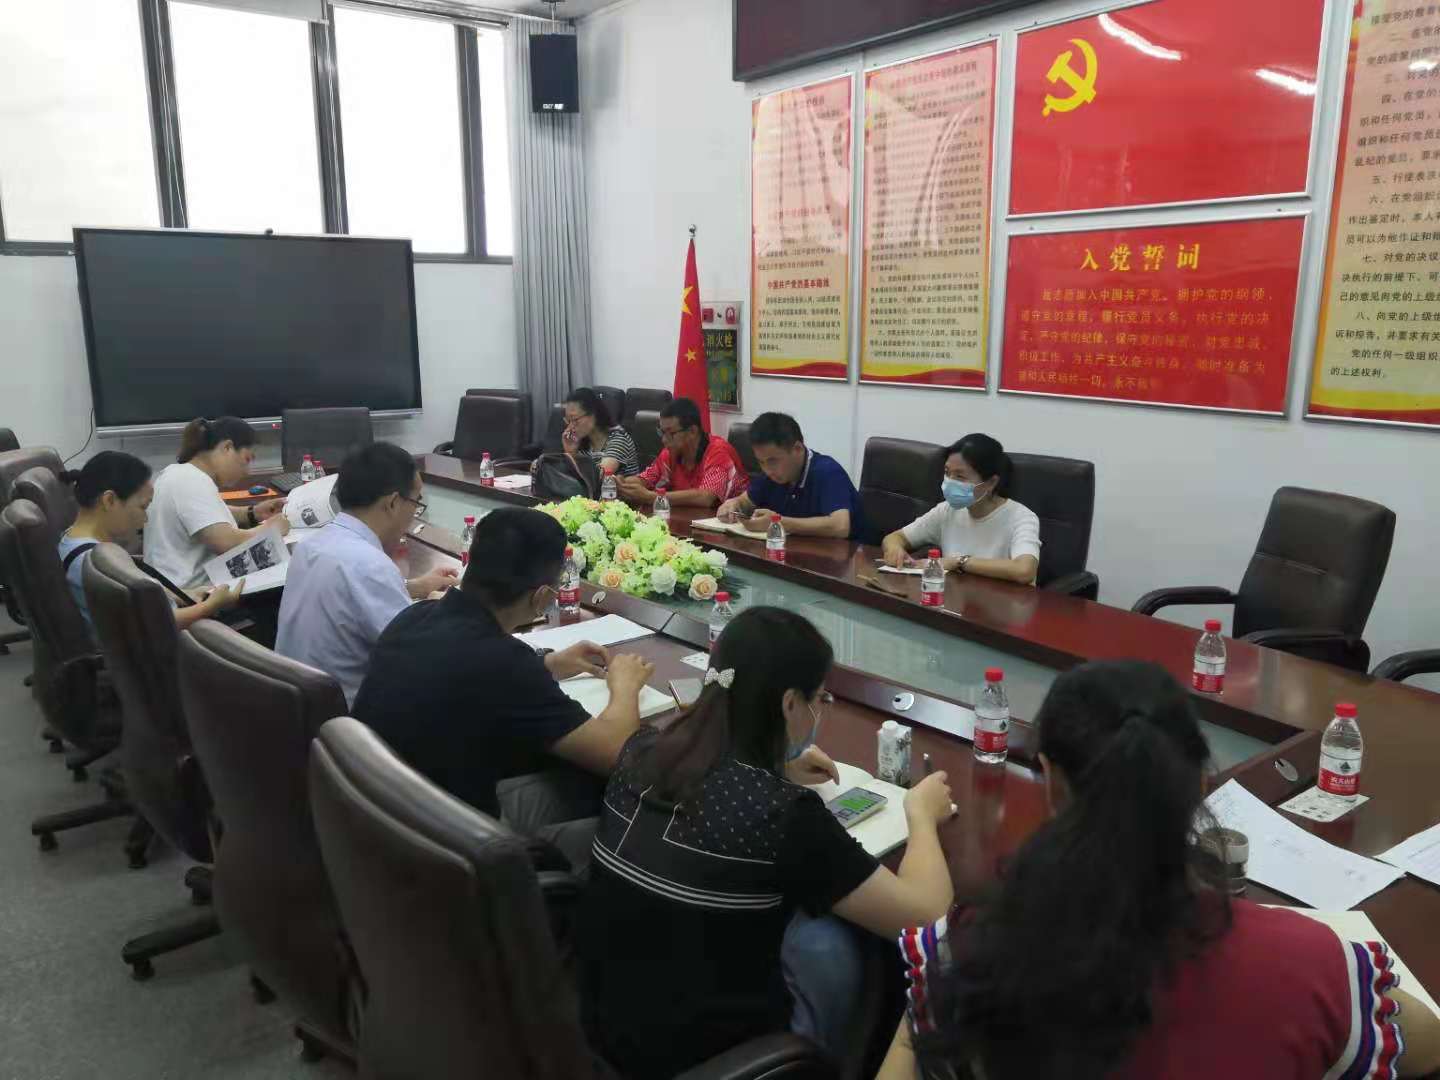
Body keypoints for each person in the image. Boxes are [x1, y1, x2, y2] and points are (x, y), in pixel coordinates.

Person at [877, 660, 1440, 1080]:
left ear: (1050, 779)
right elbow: (1428, 1045)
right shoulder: (1316, 966)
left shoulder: (966, 951)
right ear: (1199, 785)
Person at [579, 606, 956, 1079]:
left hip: (602, 1035)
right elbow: (926, 919)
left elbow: (711, 796)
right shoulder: (786, 814)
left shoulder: (639, 750)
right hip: (713, 1060)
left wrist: (775, 766)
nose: (819, 711)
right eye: (819, 698)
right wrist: (921, 816)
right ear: (790, 704)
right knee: (838, 941)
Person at [353, 507, 655, 872]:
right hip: (451, 861)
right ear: (542, 597)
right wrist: (625, 685)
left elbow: (468, 671)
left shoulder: (414, 617)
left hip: (390, 826)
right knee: (636, 831)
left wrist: (548, 664)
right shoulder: (503, 662)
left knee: (579, 784)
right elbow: (615, 753)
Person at [275, 442, 459, 707]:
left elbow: (347, 596)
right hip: (348, 719)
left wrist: (414, 587)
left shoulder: (312, 546)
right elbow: (420, 658)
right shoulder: (370, 565)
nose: (414, 514)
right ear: (392, 503)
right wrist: (436, 609)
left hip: (298, 708)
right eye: (416, 503)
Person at [56, 451, 243, 630]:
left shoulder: (72, 540)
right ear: (109, 500)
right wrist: (210, 606)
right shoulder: (95, 562)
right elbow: (158, 623)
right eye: (142, 507)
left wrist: (182, 595)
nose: (145, 519)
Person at [143, 416, 290, 590]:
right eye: (247, 459)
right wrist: (272, 529)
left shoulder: (178, 474)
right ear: (227, 447)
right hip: (192, 594)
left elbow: (204, 514)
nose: (247, 471)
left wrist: (252, 513)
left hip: (175, 587)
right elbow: (227, 543)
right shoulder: (191, 481)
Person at [880, 433, 1039, 585]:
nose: (949, 482)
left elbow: (1024, 570)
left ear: (991, 483)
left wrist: (958, 562)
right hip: (955, 597)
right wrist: (895, 549)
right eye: (947, 473)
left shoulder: (1021, 517)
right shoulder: (947, 510)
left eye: (960, 476)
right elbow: (895, 537)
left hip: (1004, 601)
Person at [715, 411, 866, 539]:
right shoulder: (770, 475)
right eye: (761, 462)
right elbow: (745, 500)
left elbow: (840, 526)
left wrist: (778, 522)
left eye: (773, 461)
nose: (767, 470)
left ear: (797, 449)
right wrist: (733, 504)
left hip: (849, 558)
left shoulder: (827, 471)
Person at [616, 397, 748, 508]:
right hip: (687, 520)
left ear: (692, 431)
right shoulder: (670, 452)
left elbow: (706, 497)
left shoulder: (718, 451)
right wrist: (623, 483)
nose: (664, 440)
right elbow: (646, 479)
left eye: (671, 433)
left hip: (730, 523)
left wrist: (652, 497)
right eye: (662, 432)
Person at [560, 387, 640, 477]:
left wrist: (572, 456)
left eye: (575, 419)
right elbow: (567, 476)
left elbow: (599, 476)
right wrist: (570, 452)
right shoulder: (582, 442)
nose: (570, 427)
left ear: (593, 414)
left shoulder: (619, 439)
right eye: (568, 421)